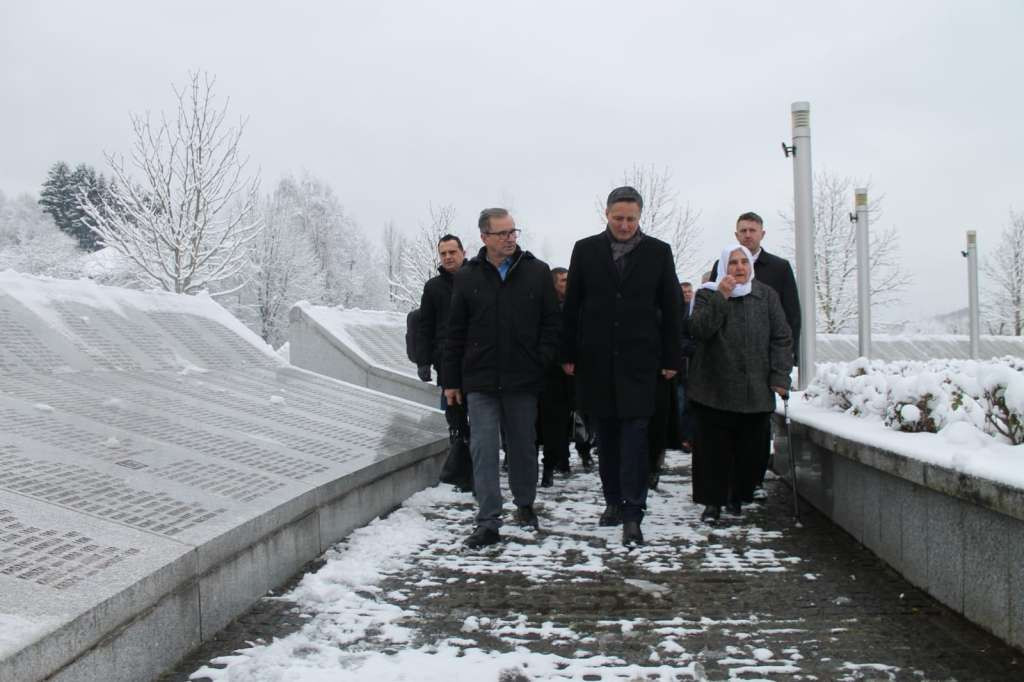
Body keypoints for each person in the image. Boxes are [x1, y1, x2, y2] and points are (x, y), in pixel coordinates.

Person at [561, 186, 683, 546]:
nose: (625, 225)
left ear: (639, 217)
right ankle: (612, 501)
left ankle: (633, 512)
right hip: (596, 362)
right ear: (607, 215)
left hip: (641, 363)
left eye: (631, 218)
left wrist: (672, 357)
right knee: (608, 440)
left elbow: (672, 307)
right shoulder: (585, 250)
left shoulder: (659, 252)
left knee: (635, 439)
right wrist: (568, 354)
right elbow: (573, 307)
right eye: (619, 218)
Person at [443, 208, 561, 548]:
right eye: (502, 233)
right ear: (484, 237)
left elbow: (552, 325)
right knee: (483, 448)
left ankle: (525, 503)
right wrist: (451, 381)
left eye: (513, 232)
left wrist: (539, 360)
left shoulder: (536, 272)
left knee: (524, 446)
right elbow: (455, 333)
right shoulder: (467, 276)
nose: (510, 238)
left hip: (523, 380)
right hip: (479, 381)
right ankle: (488, 520)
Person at [687, 243, 793, 523]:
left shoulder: (766, 295)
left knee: (750, 449)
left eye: (743, 262)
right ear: (723, 267)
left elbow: (781, 337)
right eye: (732, 263)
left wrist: (780, 376)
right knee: (713, 451)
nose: (738, 268)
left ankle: (738, 495)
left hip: (755, 388)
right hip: (713, 387)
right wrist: (721, 296)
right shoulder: (707, 295)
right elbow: (699, 330)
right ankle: (713, 502)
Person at [709, 212, 800, 489]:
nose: (748, 234)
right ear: (736, 235)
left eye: (752, 230)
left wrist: (781, 370)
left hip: (761, 367)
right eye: (742, 230)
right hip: (727, 369)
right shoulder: (721, 265)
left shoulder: (780, 268)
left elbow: (790, 321)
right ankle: (727, 484)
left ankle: (753, 483)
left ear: (762, 233)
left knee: (757, 433)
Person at [538, 267, 572, 487]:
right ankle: (548, 466)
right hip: (547, 374)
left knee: (562, 423)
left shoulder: (574, 308)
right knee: (547, 424)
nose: (567, 283)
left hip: (567, 376)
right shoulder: (545, 310)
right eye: (563, 280)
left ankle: (560, 459)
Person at [677, 282, 696, 453]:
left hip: (694, 369)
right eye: (684, 291)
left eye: (689, 291)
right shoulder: (677, 311)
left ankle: (689, 438)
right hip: (681, 368)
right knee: (681, 404)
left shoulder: (695, 309)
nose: (687, 294)